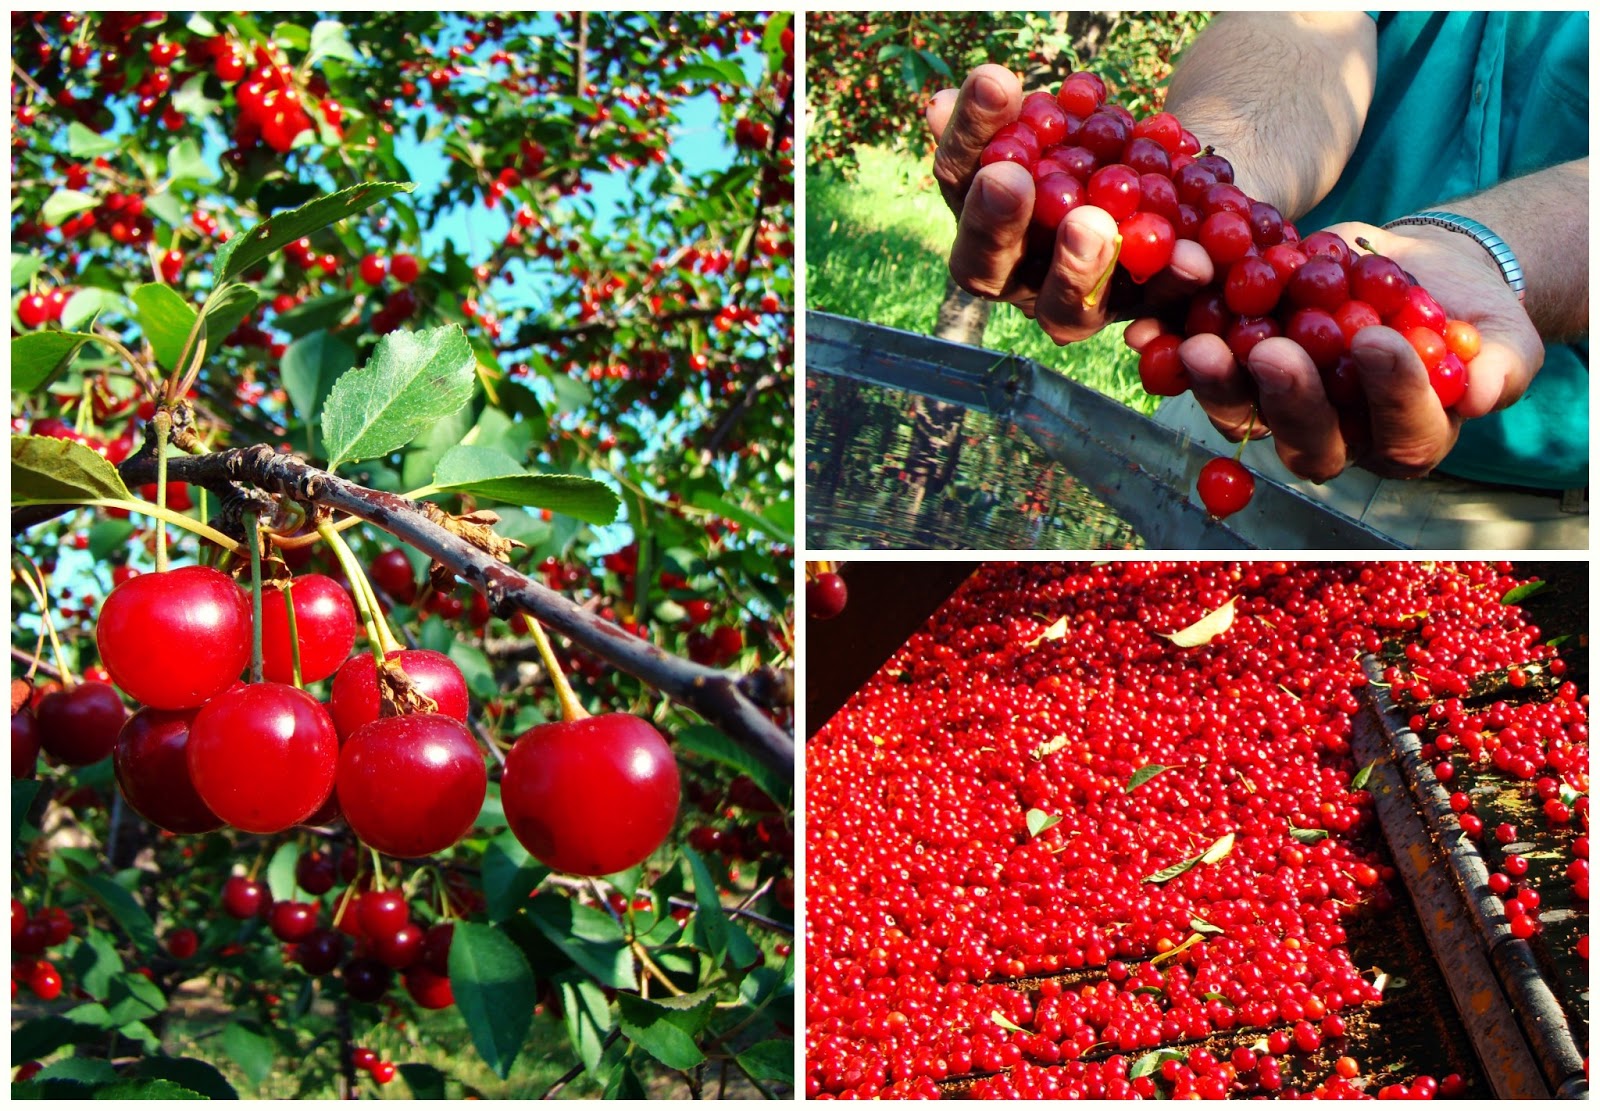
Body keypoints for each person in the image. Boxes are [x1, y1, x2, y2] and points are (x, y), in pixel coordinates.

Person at [928, 12, 1587, 547]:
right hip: (1233, 404)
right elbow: (1304, 22)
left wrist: (1491, 249)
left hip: (1521, 521)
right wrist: (1216, 160)